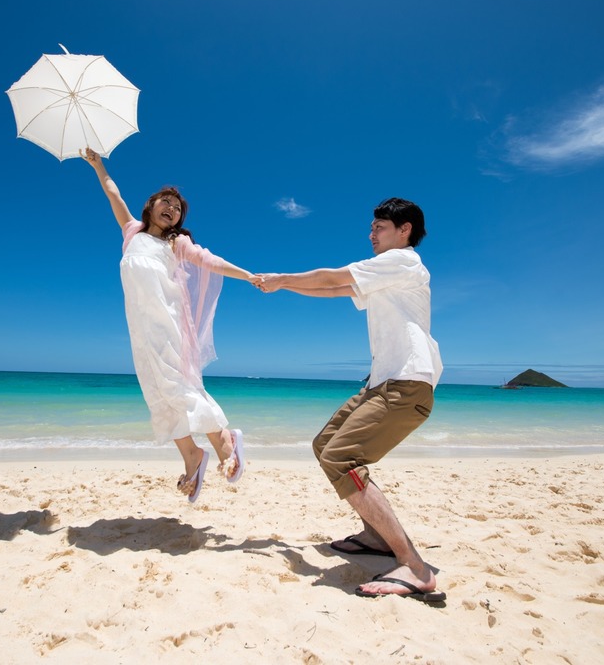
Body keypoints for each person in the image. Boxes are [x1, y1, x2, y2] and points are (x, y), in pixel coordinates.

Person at [256, 198, 445, 604]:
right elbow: (341, 288)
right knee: (324, 445)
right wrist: (283, 284)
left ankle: (414, 566)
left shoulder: (406, 261)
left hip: (407, 382)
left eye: (379, 226)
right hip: (381, 383)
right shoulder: (387, 273)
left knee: (341, 457)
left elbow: (332, 276)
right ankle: (376, 537)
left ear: (405, 229)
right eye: (372, 227)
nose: (371, 234)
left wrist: (284, 277)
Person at [80, 147, 250, 502]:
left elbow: (211, 262)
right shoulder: (131, 233)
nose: (171, 208)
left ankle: (224, 440)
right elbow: (113, 192)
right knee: (157, 393)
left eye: (177, 208)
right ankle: (192, 455)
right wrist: (98, 165)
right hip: (141, 331)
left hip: (170, 326)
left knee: (178, 385)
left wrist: (248, 276)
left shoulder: (177, 244)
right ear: (151, 205)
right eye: (166, 202)